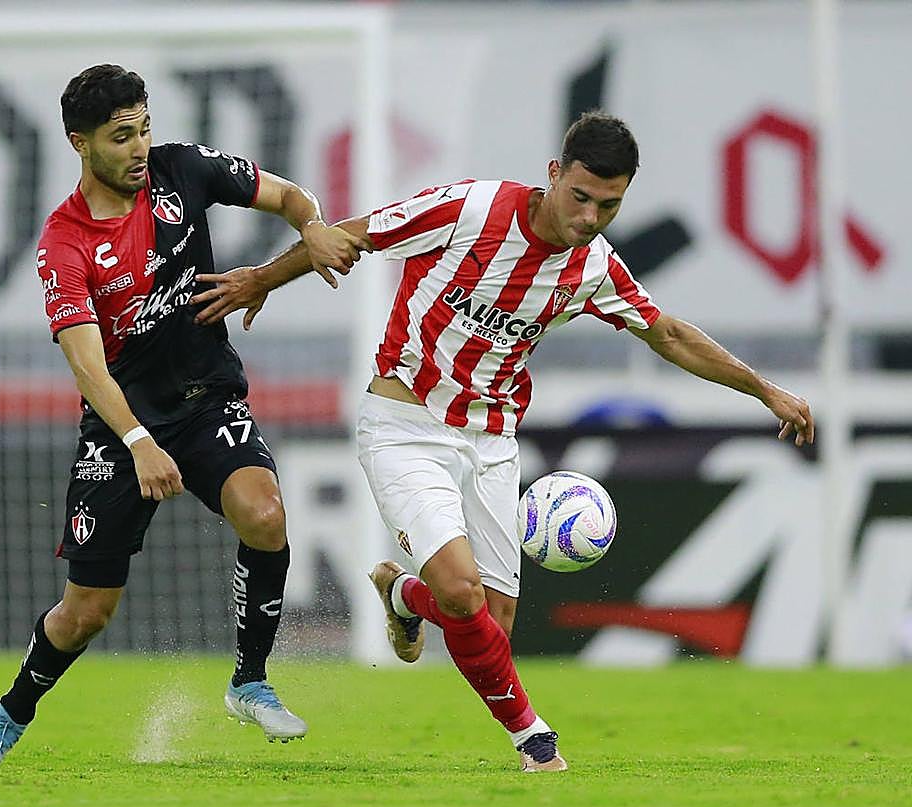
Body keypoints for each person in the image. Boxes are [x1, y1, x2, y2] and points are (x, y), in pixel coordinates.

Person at [192, 111, 815, 772]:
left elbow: (668, 333)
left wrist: (764, 390)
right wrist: (262, 277)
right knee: (463, 598)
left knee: (489, 621)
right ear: (553, 175)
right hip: (406, 427)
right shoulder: (470, 208)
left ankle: (404, 596)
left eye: (609, 205)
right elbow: (352, 236)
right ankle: (534, 740)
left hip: (492, 440)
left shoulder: (593, 267)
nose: (589, 216)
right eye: (580, 197)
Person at [0, 64, 365, 765]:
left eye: (144, 127)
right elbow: (87, 363)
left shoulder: (184, 171)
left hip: (208, 400)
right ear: (79, 143)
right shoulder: (65, 242)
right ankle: (10, 713)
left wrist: (314, 226)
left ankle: (251, 681)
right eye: (122, 136)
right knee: (87, 612)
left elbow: (289, 195)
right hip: (121, 431)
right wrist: (139, 439)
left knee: (265, 515)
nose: (141, 146)